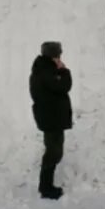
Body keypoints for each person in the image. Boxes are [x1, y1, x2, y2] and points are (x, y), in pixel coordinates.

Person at [29, 41, 73, 200]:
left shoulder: (43, 69)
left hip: (51, 116)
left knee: (54, 150)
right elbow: (64, 86)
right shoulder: (46, 71)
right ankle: (46, 188)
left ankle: (46, 186)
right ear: (52, 56)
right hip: (51, 117)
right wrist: (64, 70)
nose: (59, 57)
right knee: (53, 152)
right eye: (58, 55)